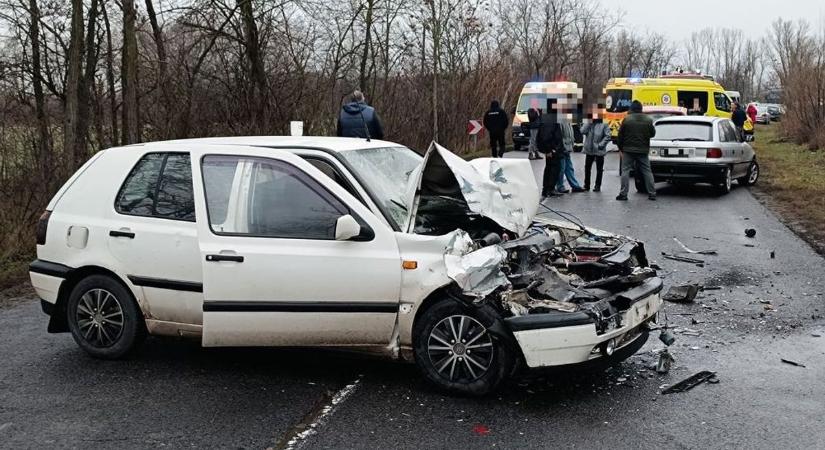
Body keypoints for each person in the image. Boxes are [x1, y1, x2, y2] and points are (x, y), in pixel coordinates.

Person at [616, 100, 656, 201]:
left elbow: (620, 136)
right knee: (647, 171)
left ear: (632, 109)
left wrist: (620, 148)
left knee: (625, 171)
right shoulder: (648, 120)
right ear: (641, 108)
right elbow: (652, 134)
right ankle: (652, 193)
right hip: (643, 150)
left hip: (628, 150)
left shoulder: (627, 119)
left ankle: (623, 194)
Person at [537, 98, 564, 198]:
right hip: (552, 149)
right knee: (553, 168)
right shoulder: (550, 118)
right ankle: (549, 189)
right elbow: (546, 136)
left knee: (550, 168)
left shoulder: (548, 116)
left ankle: (547, 189)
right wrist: (549, 150)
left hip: (552, 148)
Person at [555, 113, 585, 193]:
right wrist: (563, 146)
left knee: (569, 168)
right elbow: (560, 135)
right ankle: (560, 186)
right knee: (562, 168)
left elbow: (570, 134)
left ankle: (574, 185)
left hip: (567, 148)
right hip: (563, 148)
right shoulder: (560, 121)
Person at [581, 115, 611, 192]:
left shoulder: (604, 123)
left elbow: (608, 136)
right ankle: (586, 185)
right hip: (589, 149)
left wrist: (601, 145)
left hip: (599, 149)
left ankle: (597, 185)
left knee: (599, 169)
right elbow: (582, 131)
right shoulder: (589, 122)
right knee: (587, 168)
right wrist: (589, 123)